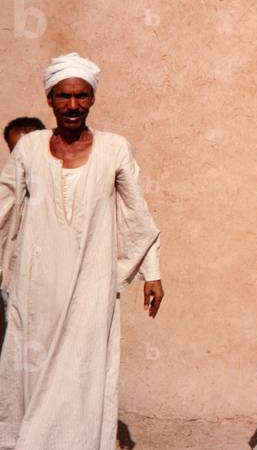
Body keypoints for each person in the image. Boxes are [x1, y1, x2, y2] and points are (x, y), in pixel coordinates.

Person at [0, 53, 164, 450]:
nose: (72, 105)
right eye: (63, 96)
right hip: (35, 285)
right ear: (49, 100)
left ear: (92, 99)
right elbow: (4, 204)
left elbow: (136, 214)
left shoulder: (114, 148)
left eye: (81, 96)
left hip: (92, 282)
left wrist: (152, 272)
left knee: (85, 367)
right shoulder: (30, 148)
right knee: (32, 368)